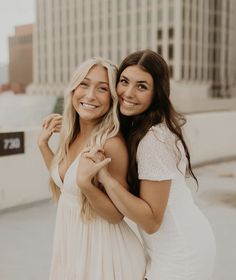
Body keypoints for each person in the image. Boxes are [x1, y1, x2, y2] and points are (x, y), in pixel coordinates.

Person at [79, 50, 216, 280]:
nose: (128, 93)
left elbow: (151, 221)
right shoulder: (142, 129)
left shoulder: (154, 139)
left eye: (142, 86)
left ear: (156, 94)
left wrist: (106, 179)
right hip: (175, 245)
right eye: (124, 81)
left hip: (181, 253)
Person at [38, 57, 146, 280]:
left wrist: (87, 185)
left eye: (102, 88)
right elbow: (66, 182)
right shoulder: (72, 134)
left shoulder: (110, 144)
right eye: (84, 84)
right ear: (73, 89)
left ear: (112, 98)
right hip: (72, 243)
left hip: (103, 251)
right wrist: (43, 146)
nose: (89, 95)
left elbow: (117, 215)